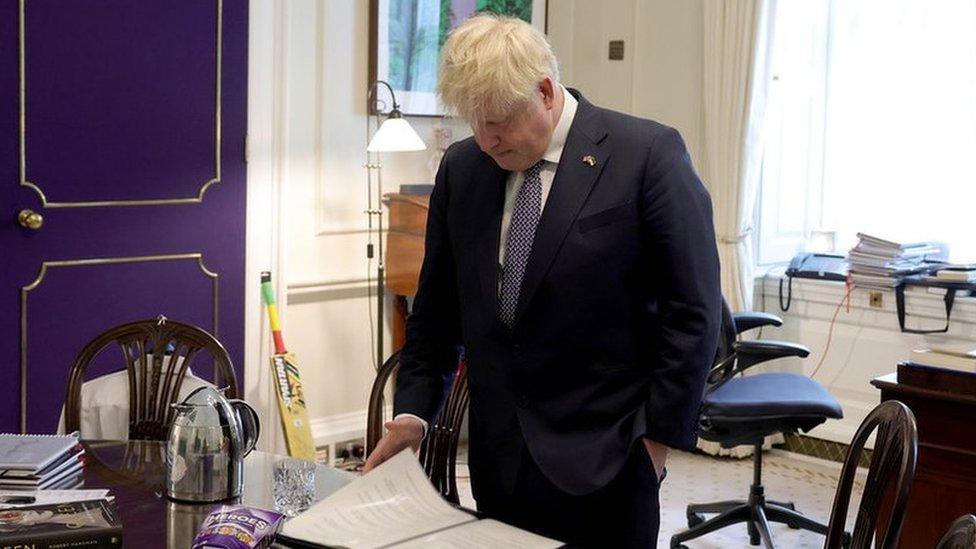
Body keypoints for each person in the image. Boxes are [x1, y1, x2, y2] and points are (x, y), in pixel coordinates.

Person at [363, 13, 721, 547]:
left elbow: (693, 313)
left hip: (611, 464)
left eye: (499, 121)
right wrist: (415, 411)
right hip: (500, 466)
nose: (486, 139)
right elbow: (436, 315)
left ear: (546, 91)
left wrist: (655, 446)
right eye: (474, 122)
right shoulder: (463, 171)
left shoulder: (646, 155)